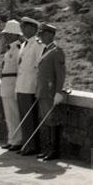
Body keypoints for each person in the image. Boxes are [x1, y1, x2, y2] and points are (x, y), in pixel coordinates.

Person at [34, 23, 66, 161]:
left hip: (50, 92)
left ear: (50, 35)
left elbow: (60, 74)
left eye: (43, 34)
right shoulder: (46, 50)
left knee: (53, 120)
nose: (40, 37)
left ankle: (54, 150)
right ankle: (48, 148)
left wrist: (58, 92)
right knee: (46, 121)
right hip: (43, 91)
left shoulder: (57, 51)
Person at [15, 16, 44, 156]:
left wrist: (39, 87)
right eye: (22, 27)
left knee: (30, 118)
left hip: (31, 86)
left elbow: (40, 66)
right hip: (21, 85)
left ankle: (32, 146)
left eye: (24, 27)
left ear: (33, 28)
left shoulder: (38, 44)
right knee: (24, 118)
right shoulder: (24, 44)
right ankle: (26, 144)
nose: (22, 30)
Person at [0, 19, 23, 150]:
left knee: (14, 114)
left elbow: (20, 70)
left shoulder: (18, 49)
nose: (6, 36)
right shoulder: (9, 49)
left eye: (8, 33)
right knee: (8, 115)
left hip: (12, 85)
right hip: (6, 85)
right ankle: (11, 139)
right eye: (5, 34)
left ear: (15, 34)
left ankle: (17, 140)